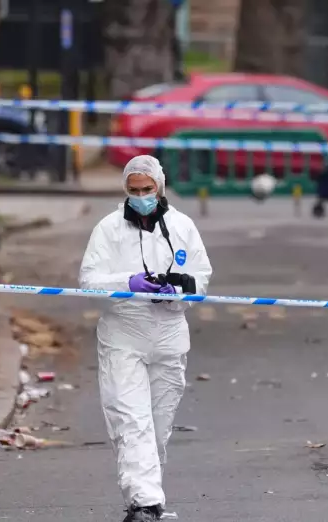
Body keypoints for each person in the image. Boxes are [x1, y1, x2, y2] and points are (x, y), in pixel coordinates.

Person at [79, 155, 213, 522]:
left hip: (169, 333)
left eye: (147, 189)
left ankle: (148, 496)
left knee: (158, 423)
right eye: (134, 190)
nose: (141, 197)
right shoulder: (108, 229)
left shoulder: (182, 227)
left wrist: (177, 289)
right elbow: (89, 282)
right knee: (129, 417)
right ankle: (144, 503)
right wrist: (128, 283)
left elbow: (201, 277)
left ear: (160, 187)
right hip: (123, 333)